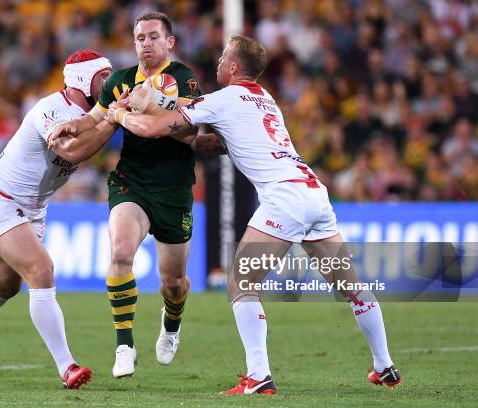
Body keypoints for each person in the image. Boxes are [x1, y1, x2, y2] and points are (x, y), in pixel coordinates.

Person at [107, 35, 402, 395]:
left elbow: (153, 127)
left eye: (221, 59)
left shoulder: (226, 98)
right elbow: (215, 142)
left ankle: (258, 375)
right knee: (351, 288)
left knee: (240, 283)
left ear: (233, 67)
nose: (216, 65)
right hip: (313, 193)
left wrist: (120, 112)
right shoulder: (265, 99)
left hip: (284, 199)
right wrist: (175, 124)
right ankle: (385, 365)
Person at [48, 11, 210, 378]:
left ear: (169, 42)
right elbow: (95, 118)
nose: (146, 44)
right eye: (140, 38)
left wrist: (148, 105)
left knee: (172, 281)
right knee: (120, 251)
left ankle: (171, 325)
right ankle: (124, 345)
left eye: (154, 37)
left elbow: (189, 131)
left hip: (173, 188)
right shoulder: (119, 82)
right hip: (130, 182)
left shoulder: (184, 79)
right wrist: (74, 123)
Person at [0, 50, 115, 389]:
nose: (110, 83)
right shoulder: (51, 109)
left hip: (33, 209)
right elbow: (72, 152)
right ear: (83, 79)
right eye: (103, 76)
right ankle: (67, 367)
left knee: (6, 286)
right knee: (42, 270)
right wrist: (114, 120)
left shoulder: (93, 113)